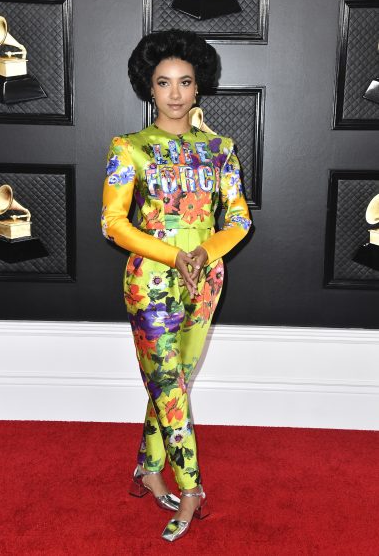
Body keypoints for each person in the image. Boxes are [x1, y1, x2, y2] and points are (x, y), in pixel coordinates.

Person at [101, 29, 252, 542]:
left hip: (206, 280)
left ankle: (147, 467)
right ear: (148, 87)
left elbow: (238, 220)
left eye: (184, 81)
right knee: (167, 384)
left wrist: (204, 253)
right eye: (162, 82)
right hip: (151, 282)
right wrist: (175, 254)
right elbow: (114, 224)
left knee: (173, 384)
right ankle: (191, 487)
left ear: (198, 86)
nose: (174, 93)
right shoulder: (130, 148)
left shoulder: (220, 150)